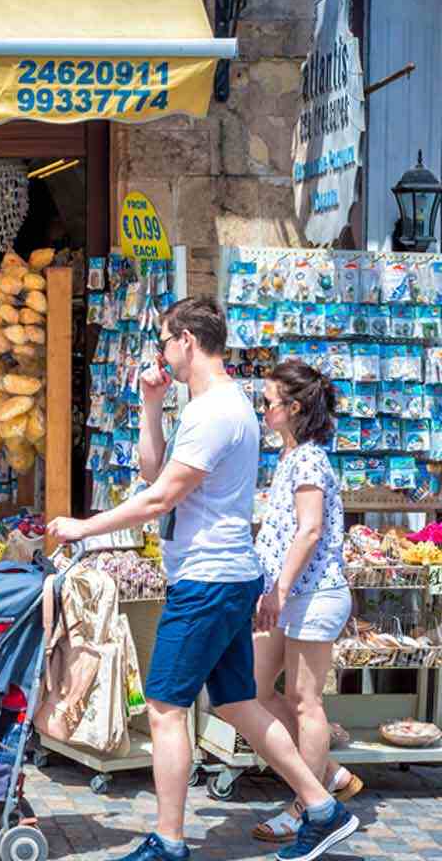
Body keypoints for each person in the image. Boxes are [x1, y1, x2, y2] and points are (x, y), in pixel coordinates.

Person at [47, 297, 357, 861]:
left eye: (164, 341)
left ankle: (168, 840)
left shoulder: (216, 411)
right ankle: (322, 806)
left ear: (186, 341)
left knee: (165, 708)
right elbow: (154, 471)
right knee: (237, 702)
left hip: (208, 580)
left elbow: (161, 496)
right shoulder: (207, 405)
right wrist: (150, 406)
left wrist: (85, 527)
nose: (161, 352)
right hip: (223, 576)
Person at [250, 361, 360, 843]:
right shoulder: (291, 457)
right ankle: (329, 774)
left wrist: (277, 589)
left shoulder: (310, 459)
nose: (263, 410)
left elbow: (310, 529)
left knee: (304, 700)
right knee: (251, 691)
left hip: (311, 595)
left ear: (293, 408)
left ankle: (307, 808)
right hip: (290, 597)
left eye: (269, 402)